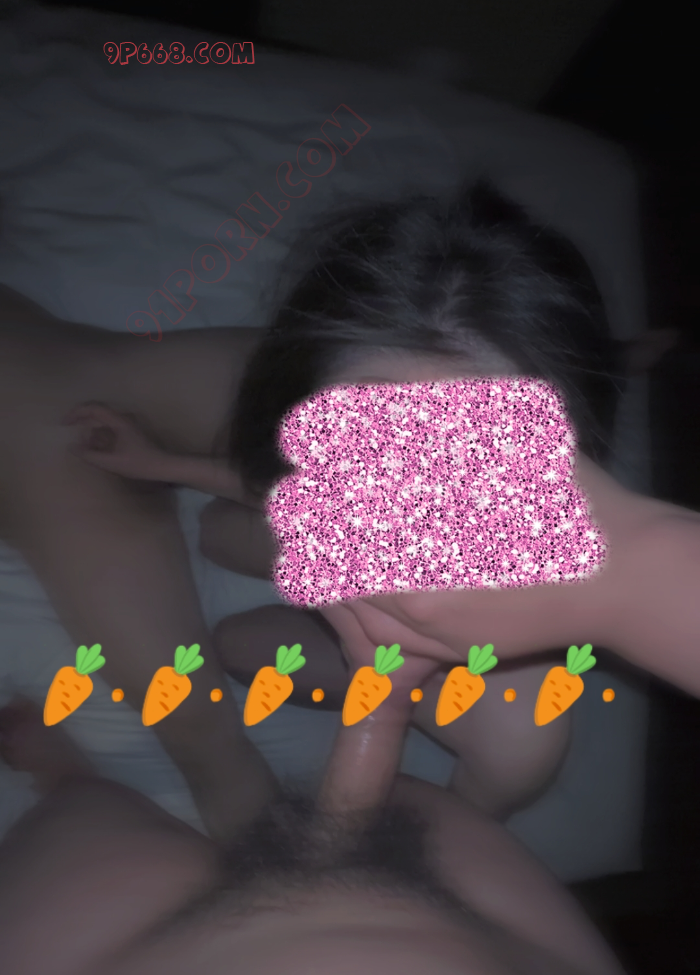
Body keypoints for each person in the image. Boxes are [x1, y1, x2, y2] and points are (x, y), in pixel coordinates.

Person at [58, 181, 679, 822]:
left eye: (469, 495)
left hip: (435, 684)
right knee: (220, 532)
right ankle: (613, 358)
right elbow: (299, 492)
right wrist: (162, 465)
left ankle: (611, 360)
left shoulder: (520, 735)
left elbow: (438, 835)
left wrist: (384, 703)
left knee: (238, 644)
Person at [0, 694, 626, 975]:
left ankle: (66, 779)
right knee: (412, 800)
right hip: (471, 924)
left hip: (126, 952)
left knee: (84, 811)